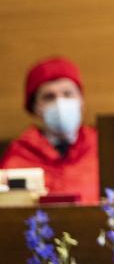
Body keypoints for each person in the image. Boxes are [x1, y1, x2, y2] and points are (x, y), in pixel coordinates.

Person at [0, 57, 98, 204]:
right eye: (49, 97)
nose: (60, 103)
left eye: (68, 94)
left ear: (81, 100)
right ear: (34, 107)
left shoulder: (101, 148)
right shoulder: (19, 155)